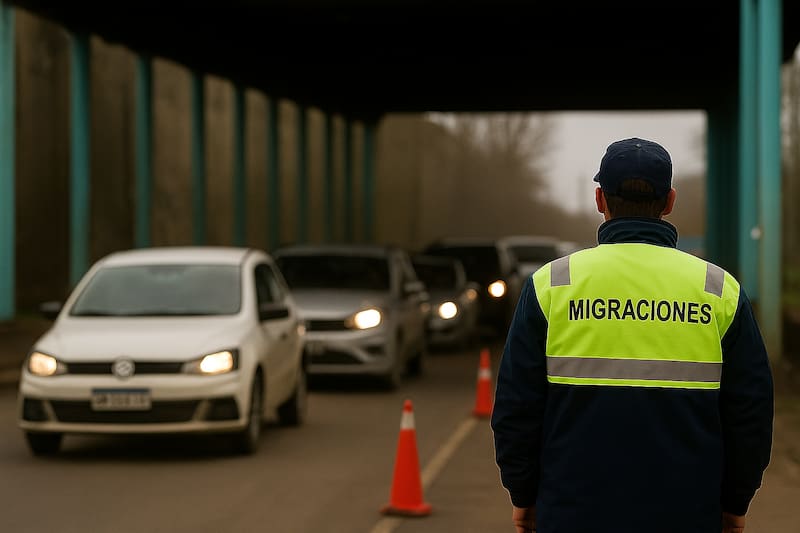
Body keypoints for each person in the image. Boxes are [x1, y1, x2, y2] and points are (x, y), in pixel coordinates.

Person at [491, 137, 774, 533]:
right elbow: (750, 414)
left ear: (599, 199)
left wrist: (523, 494)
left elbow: (516, 409)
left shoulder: (552, 285)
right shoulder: (718, 290)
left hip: (572, 512)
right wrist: (734, 502)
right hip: (688, 514)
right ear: (670, 201)